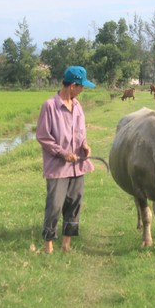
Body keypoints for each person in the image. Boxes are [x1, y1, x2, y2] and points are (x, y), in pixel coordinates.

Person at [36, 66, 96, 254]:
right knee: (55, 204)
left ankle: (66, 244)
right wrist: (63, 153)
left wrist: (84, 145)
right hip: (58, 167)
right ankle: (48, 245)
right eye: (81, 87)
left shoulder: (77, 106)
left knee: (74, 204)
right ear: (72, 86)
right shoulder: (50, 106)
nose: (82, 90)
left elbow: (80, 132)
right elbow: (43, 137)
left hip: (77, 165)